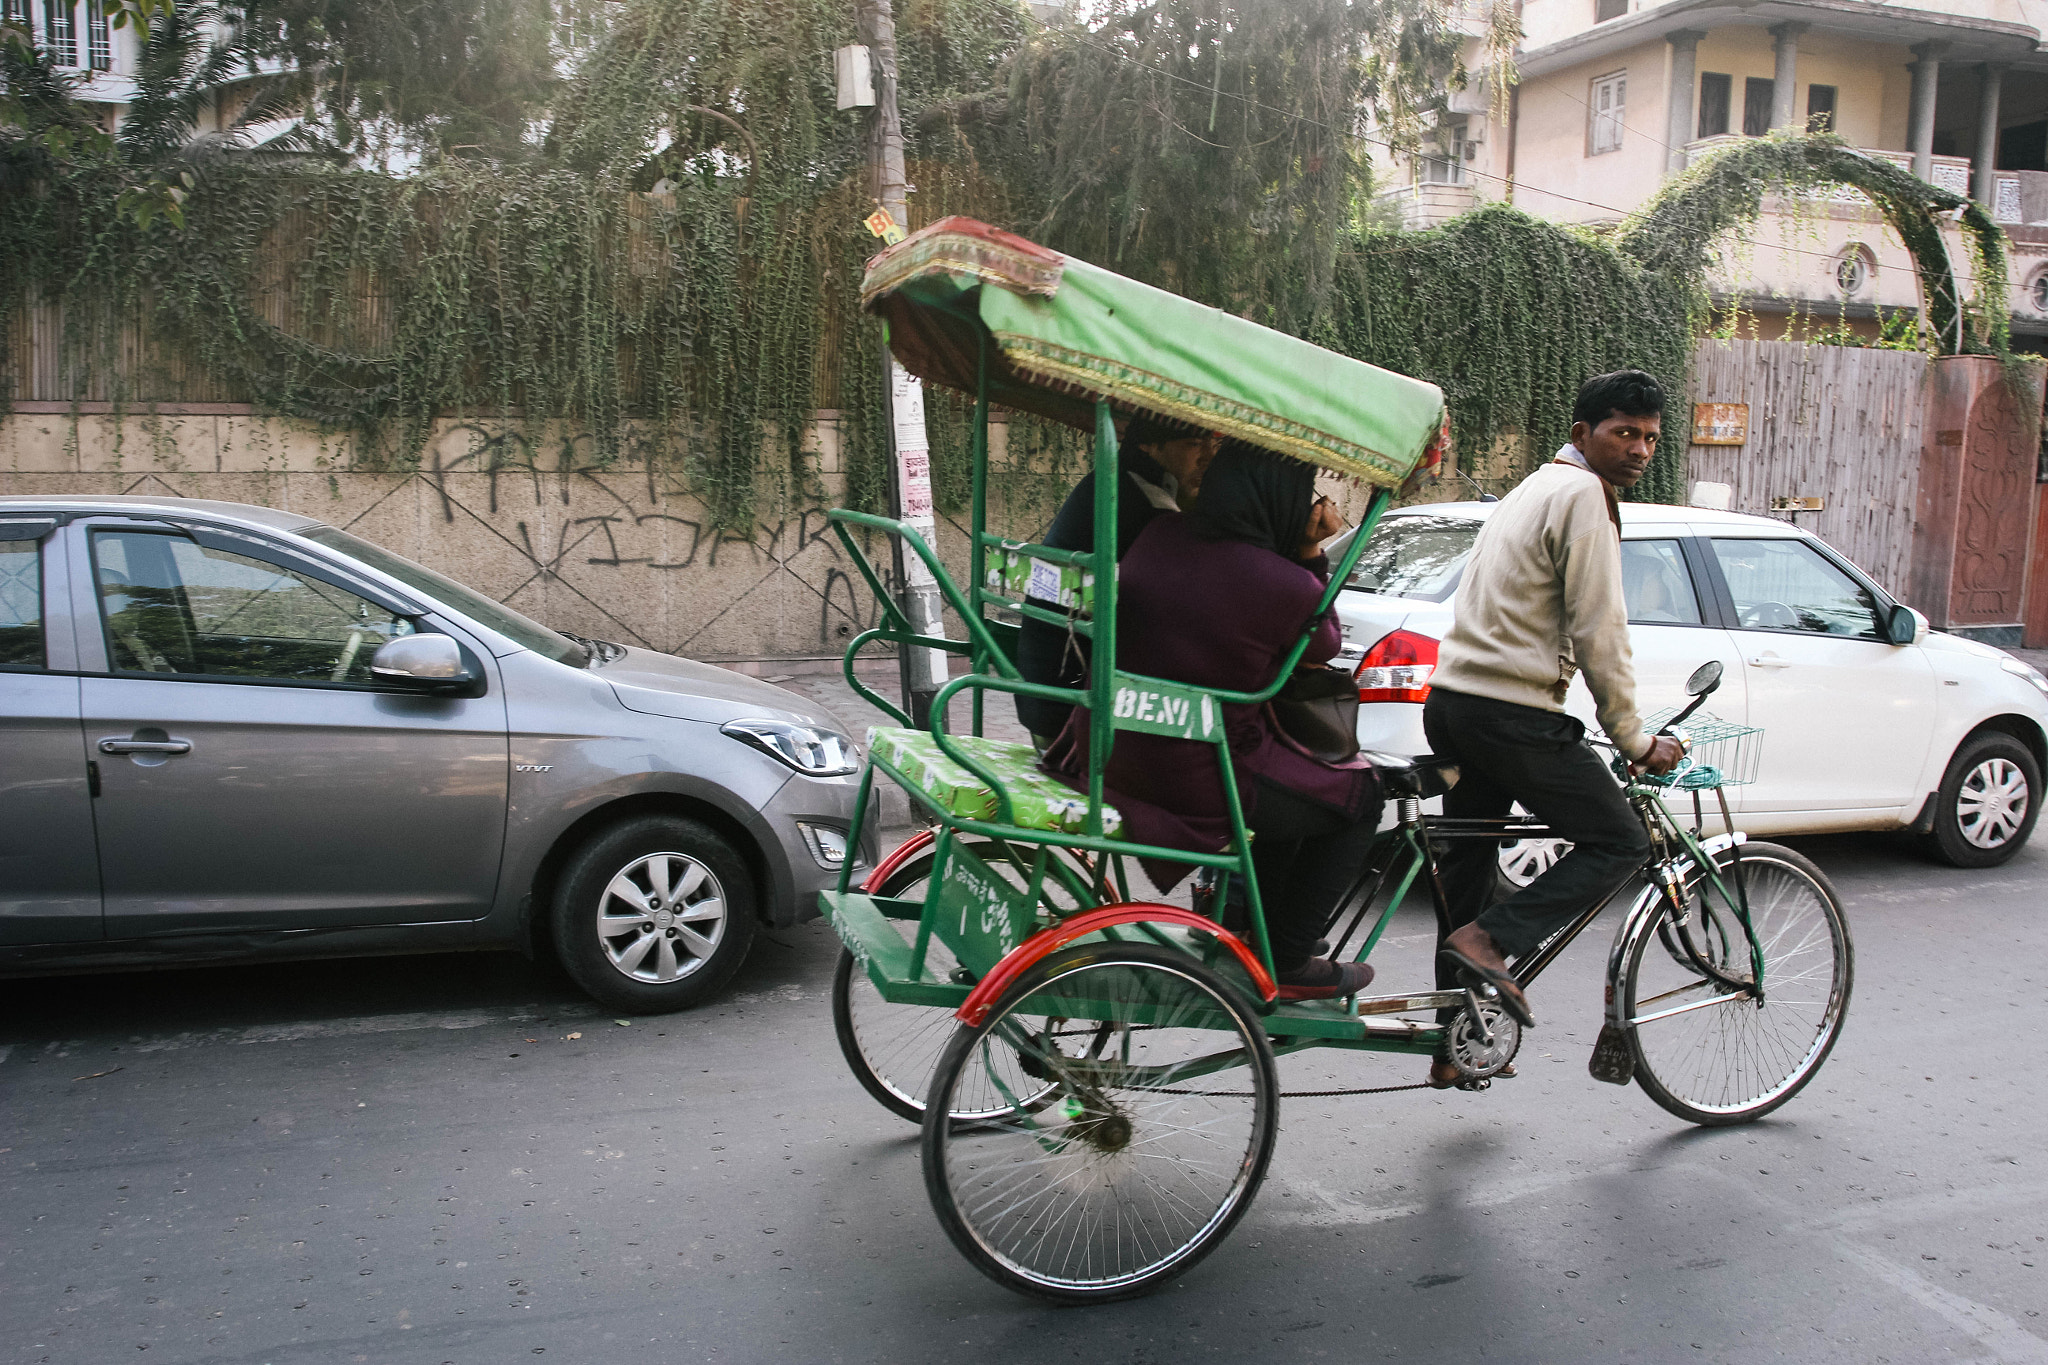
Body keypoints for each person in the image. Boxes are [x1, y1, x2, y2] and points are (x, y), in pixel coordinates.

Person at [1420, 369, 1685, 1086]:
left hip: (1455, 701)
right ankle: (1490, 941)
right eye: (1624, 433)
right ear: (1582, 434)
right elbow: (1601, 626)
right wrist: (1633, 737)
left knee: (1468, 869)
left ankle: (1457, 1042)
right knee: (1622, 840)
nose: (1638, 449)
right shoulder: (1582, 496)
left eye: (1650, 439)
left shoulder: (1534, 486)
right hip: (1508, 711)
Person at [1042, 444, 1377, 1000]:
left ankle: (1263, 933)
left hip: (1111, 747)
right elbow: (1325, 643)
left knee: (1299, 792)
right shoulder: (1283, 582)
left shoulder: (1161, 533)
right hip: (1199, 768)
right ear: (1284, 501)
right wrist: (1311, 550)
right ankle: (1290, 960)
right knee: (1360, 797)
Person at [1013, 417, 1220, 748]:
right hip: (1076, 711)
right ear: (1149, 445)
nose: (1208, 457)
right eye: (1193, 445)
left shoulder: (1114, 482)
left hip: (1044, 697)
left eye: (1213, 445)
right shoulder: (1146, 504)